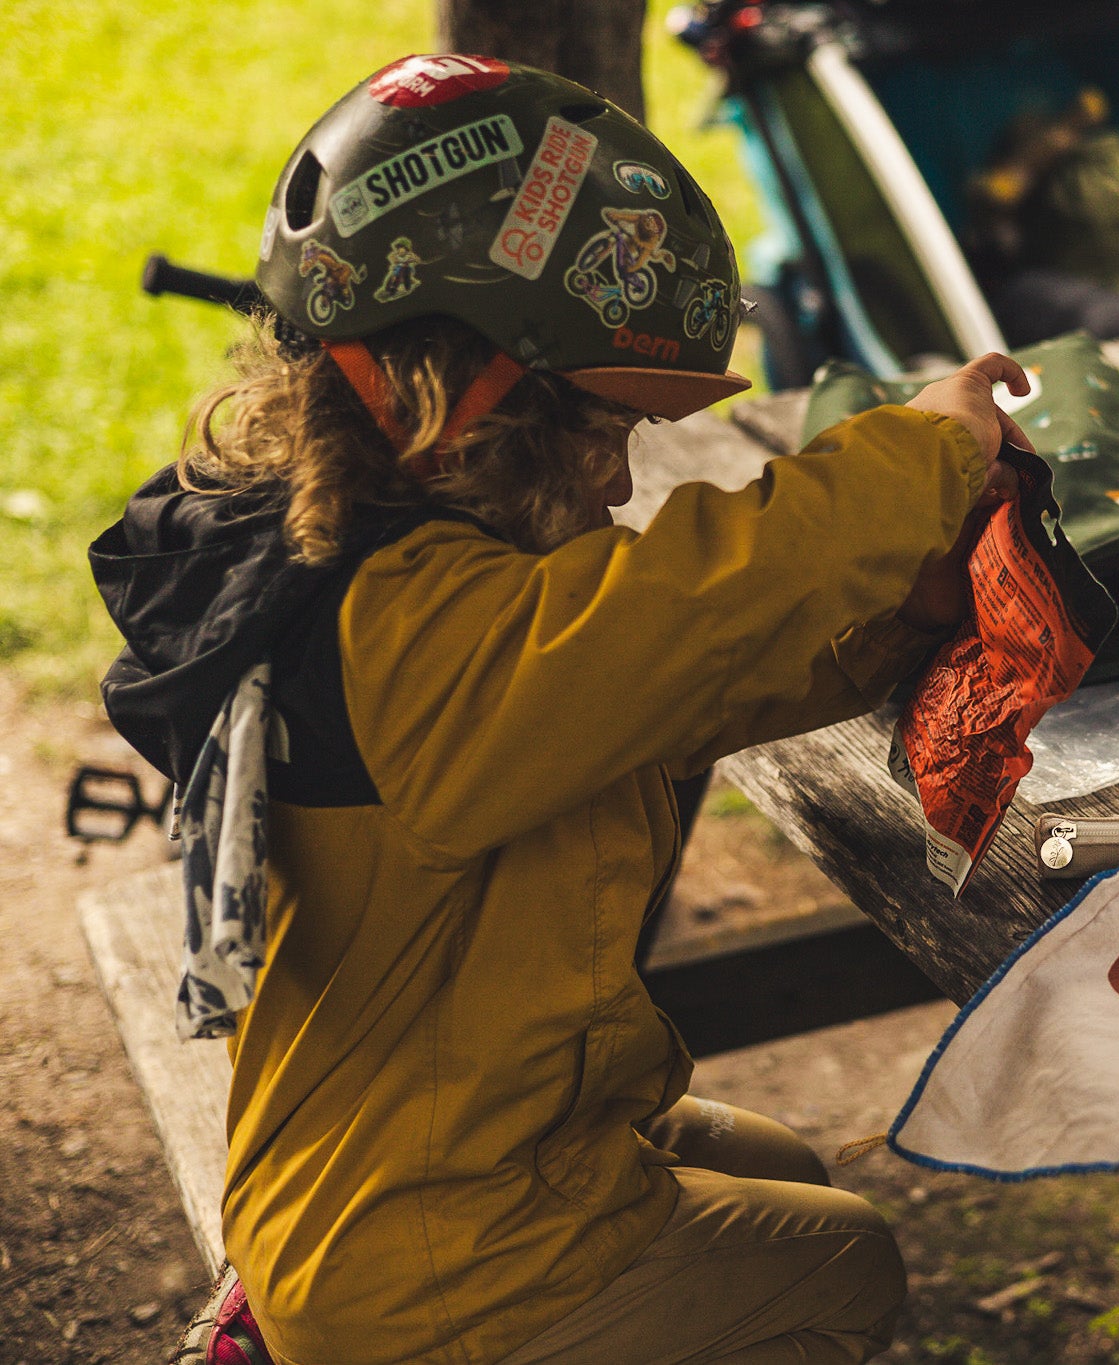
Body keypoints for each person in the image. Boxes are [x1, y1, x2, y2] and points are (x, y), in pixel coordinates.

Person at [98, 55, 1030, 1365]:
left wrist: (903, 620)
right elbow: (686, 611)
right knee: (840, 1267)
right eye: (606, 424)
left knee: (783, 1163)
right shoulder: (429, 644)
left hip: (424, 1141)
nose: (619, 476)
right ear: (473, 389)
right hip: (415, 1252)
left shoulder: (385, 572)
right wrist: (926, 454)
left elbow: (663, 676)